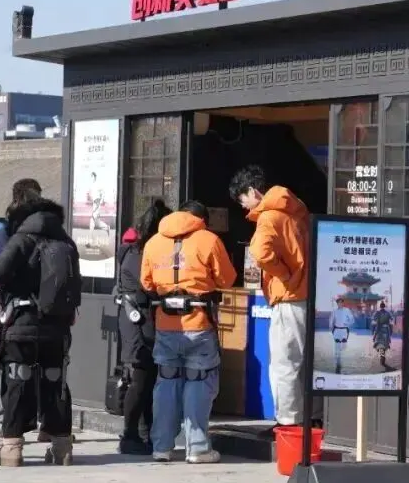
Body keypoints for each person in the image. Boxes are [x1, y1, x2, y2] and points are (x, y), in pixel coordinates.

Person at [0, 184, 80, 466]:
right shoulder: (66, 242)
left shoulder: (21, 239)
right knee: (55, 380)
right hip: (57, 326)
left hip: (22, 322)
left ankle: (12, 448)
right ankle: (62, 448)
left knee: (17, 379)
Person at [141, 200, 236, 463]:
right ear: (202, 220)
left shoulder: (153, 242)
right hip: (198, 323)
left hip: (165, 325)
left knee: (166, 381)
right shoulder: (208, 239)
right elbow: (227, 279)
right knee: (199, 381)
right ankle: (197, 448)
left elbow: (146, 283)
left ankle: (161, 447)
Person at [228, 165, 320, 431]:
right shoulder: (297, 212)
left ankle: (288, 422)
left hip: (289, 296)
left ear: (253, 191)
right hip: (309, 294)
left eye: (242, 199)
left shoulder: (268, 217)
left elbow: (260, 253)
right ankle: (313, 416)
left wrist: (283, 274)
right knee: (307, 362)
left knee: (284, 362)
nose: (243, 207)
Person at [114, 199, 171, 455]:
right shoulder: (140, 253)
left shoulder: (133, 249)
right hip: (138, 320)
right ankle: (129, 435)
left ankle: (144, 433)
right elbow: (149, 285)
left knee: (146, 378)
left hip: (137, 318)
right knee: (140, 377)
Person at [329, 304, 357, 374]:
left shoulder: (347, 310)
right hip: (337, 330)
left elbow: (352, 320)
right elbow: (331, 320)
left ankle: (341, 351)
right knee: (337, 346)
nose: (340, 304)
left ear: (342, 303)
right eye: (338, 302)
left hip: (344, 330)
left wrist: (347, 324)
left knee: (343, 346)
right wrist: (331, 327)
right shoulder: (334, 311)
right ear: (337, 303)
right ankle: (338, 363)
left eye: (341, 302)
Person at [86, 171, 111, 248]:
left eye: (92, 177)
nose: (91, 178)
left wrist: (101, 201)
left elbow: (103, 192)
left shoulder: (98, 184)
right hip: (95, 204)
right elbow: (91, 196)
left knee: (92, 222)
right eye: (90, 177)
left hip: (97, 204)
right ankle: (107, 227)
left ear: (95, 177)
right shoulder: (92, 186)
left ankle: (89, 242)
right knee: (98, 223)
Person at [371, 301, 394, 369]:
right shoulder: (388, 313)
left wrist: (373, 330)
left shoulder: (377, 312)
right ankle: (382, 356)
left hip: (379, 330)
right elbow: (392, 321)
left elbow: (373, 322)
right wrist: (390, 329)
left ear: (380, 306)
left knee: (380, 345)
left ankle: (382, 356)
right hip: (386, 330)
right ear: (384, 306)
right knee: (385, 344)